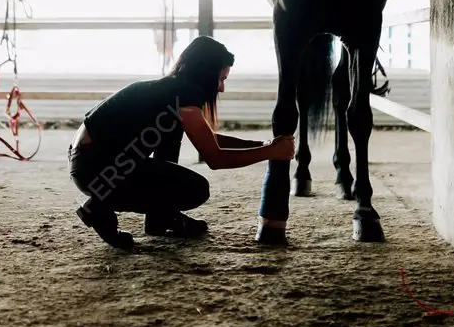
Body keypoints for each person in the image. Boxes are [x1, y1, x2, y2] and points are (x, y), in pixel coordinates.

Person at [68, 36, 295, 249]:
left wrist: (264, 144)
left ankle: (159, 219)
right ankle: (99, 208)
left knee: (170, 138)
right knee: (195, 189)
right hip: (98, 168)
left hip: (92, 162)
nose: (221, 88)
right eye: (221, 79)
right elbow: (215, 158)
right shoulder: (184, 97)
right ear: (206, 73)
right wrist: (270, 153)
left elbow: (211, 139)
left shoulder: (172, 91)